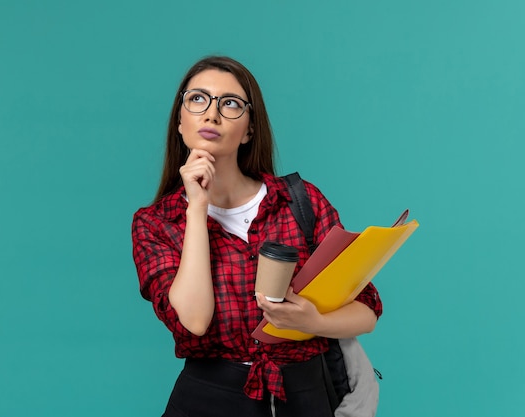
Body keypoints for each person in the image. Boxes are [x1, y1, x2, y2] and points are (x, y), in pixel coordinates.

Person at [132, 56, 382, 417]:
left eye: (230, 103)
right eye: (198, 99)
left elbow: (368, 309)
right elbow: (195, 320)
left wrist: (313, 322)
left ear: (249, 129)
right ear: (180, 121)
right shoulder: (156, 224)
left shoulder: (301, 201)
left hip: (306, 396)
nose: (212, 114)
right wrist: (197, 208)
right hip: (208, 401)